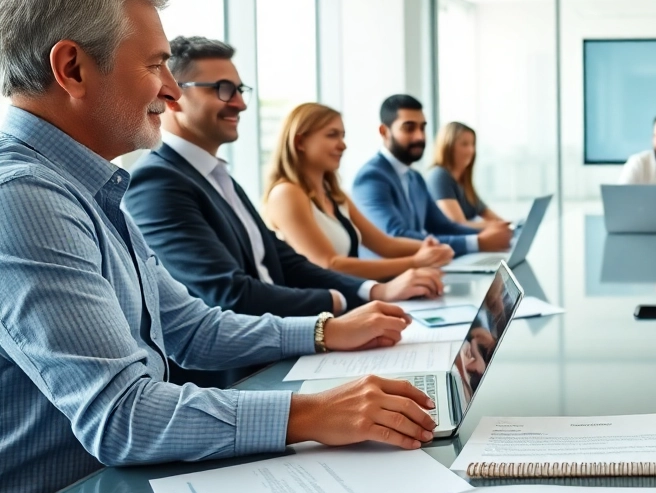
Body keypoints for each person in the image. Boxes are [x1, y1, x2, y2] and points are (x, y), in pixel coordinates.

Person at [0, 0, 440, 493]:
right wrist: (312, 414)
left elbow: (190, 328)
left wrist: (327, 331)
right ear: (73, 68)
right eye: (156, 64)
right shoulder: (24, 196)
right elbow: (121, 416)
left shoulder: (88, 183)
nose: (169, 90)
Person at [125, 38, 443, 386]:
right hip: (241, 378)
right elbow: (230, 295)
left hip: (283, 351)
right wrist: (336, 309)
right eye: (224, 89)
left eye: (240, 89)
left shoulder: (215, 174)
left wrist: (371, 292)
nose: (241, 104)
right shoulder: (158, 181)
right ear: (173, 97)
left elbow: (284, 261)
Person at [263, 103, 457, 281]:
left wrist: (432, 248)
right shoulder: (286, 194)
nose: (343, 145)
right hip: (321, 312)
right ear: (299, 142)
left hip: (348, 299)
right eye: (332, 135)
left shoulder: (336, 195)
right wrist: (415, 262)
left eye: (343, 136)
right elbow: (329, 264)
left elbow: (385, 244)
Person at [351, 95, 512, 254]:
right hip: (389, 277)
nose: (420, 136)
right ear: (384, 131)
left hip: (422, 270)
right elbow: (396, 236)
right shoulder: (371, 178)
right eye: (409, 128)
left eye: (422, 127)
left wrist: (493, 235)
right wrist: (476, 242)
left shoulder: (415, 178)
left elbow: (443, 226)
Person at [427, 121, 509, 229]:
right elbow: (458, 225)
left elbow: (497, 220)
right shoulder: (439, 176)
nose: (471, 150)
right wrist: (496, 226)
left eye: (472, 144)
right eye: (464, 144)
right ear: (448, 146)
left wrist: (510, 225)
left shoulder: (464, 182)